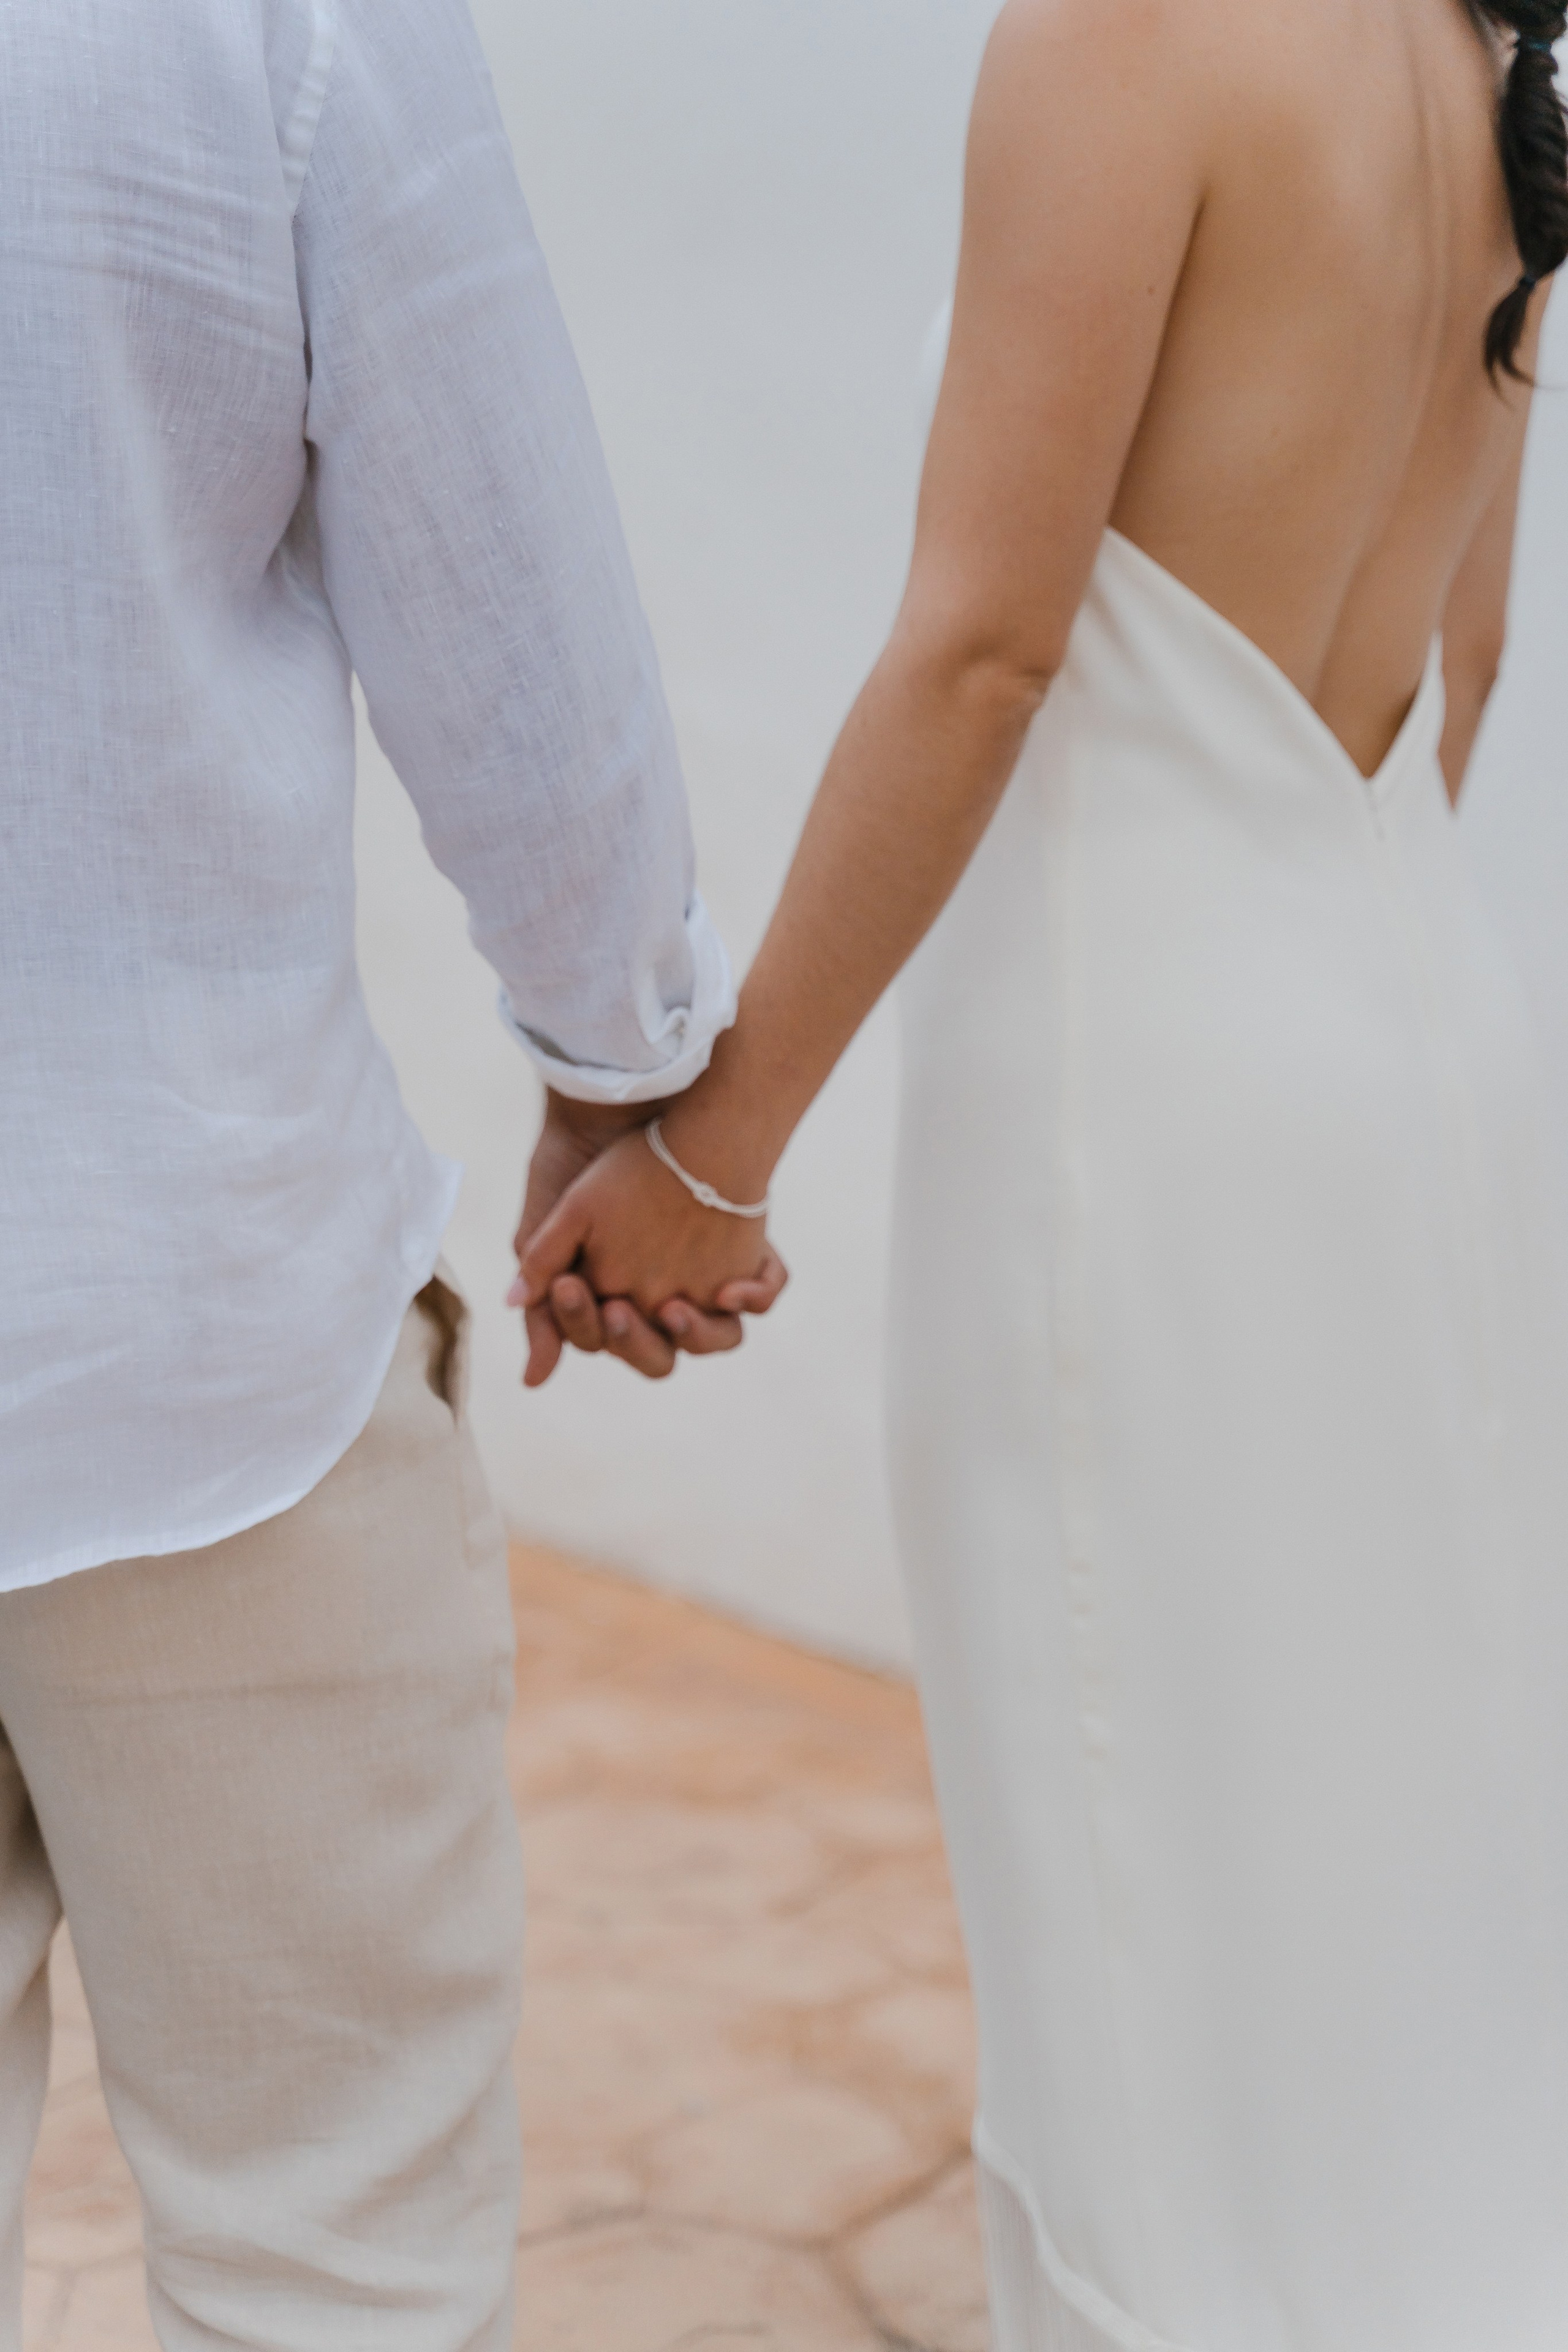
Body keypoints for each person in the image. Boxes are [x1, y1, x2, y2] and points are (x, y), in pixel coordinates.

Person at [519, 3, 1568, 2346]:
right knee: (1385, 1884)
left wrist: (713, 1148)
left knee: (1135, 1901)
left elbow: (986, 648)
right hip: (1413, 1046)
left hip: (1147, 1114)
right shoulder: (1474, 50)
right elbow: (1470, 655)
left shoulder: (1125, 32)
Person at [0, 0, 783, 2342]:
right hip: (199, 1318)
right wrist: (627, 1070)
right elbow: (506, 596)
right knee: (328, 2261)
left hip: (200, 1319)